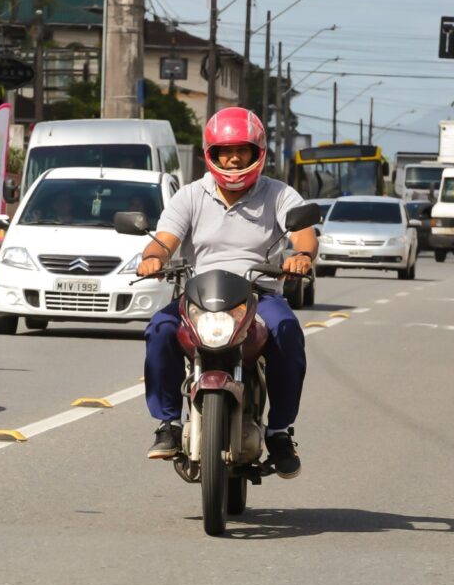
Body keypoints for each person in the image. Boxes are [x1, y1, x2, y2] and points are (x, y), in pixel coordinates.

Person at [136, 107, 318, 478]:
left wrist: (301, 256)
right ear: (211, 153)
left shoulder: (279, 194)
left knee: (287, 332)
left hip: (258, 294)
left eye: (243, 150)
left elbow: (303, 234)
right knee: (159, 330)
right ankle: (168, 424)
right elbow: (164, 241)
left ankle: (280, 432)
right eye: (224, 150)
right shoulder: (190, 196)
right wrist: (153, 258)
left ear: (258, 152)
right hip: (199, 297)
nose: (234, 158)